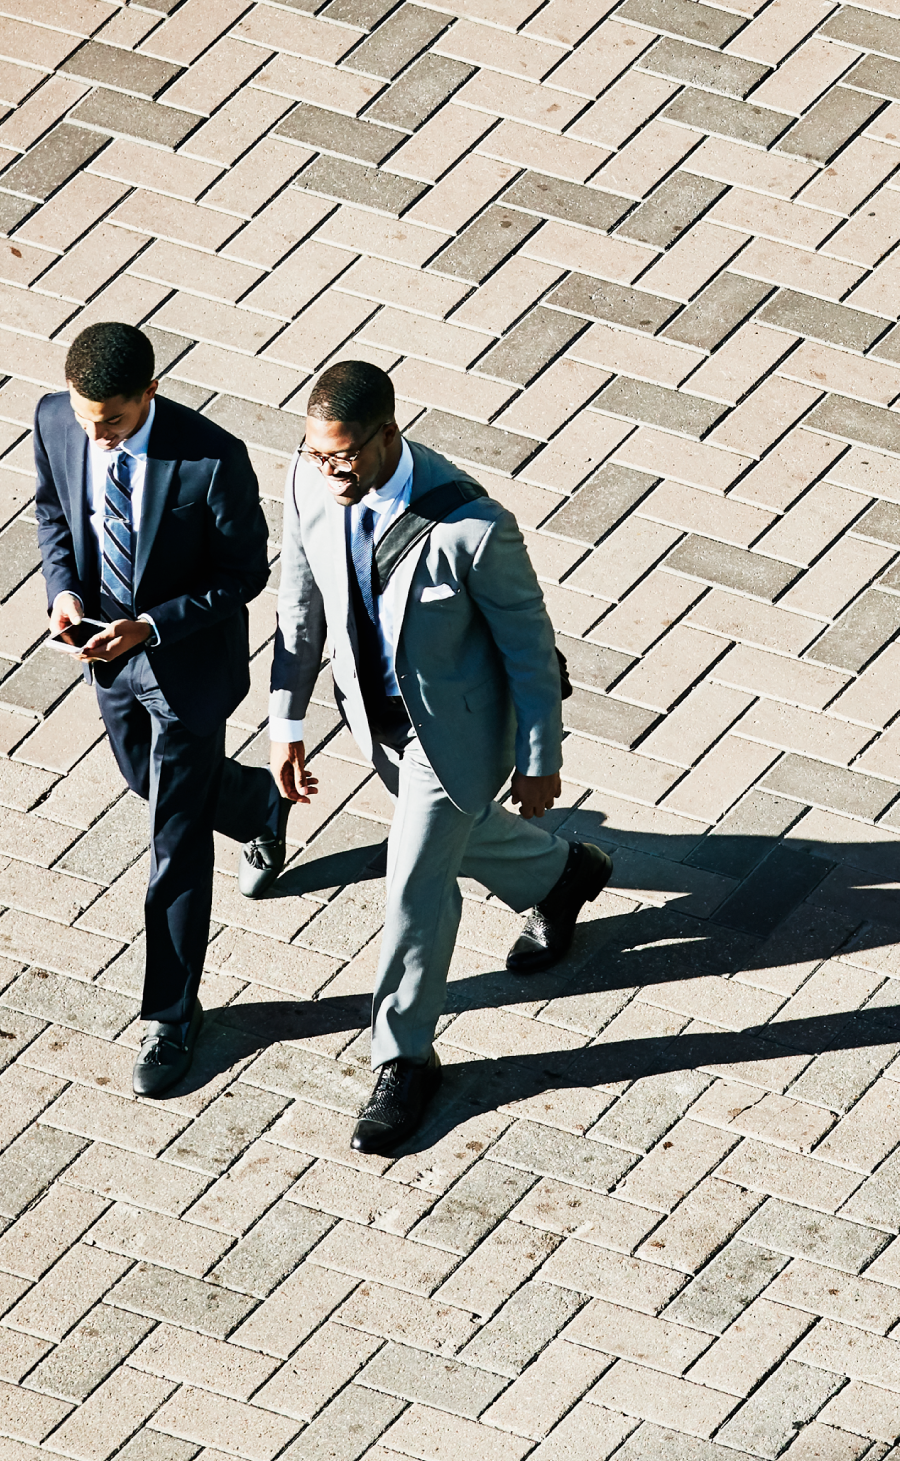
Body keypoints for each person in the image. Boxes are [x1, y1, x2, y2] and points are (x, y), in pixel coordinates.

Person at [269, 361, 612, 1154]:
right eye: (317, 454)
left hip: (455, 733)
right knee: (453, 835)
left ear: (388, 435)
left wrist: (538, 758)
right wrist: (286, 720)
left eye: (343, 455)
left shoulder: (472, 526)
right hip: (375, 721)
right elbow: (298, 601)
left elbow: (529, 651)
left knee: (415, 883)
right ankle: (559, 875)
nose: (328, 471)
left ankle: (403, 1058)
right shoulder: (304, 476)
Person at [33, 322, 288, 1096]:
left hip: (185, 672)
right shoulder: (54, 418)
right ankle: (255, 802)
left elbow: (243, 574)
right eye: (85, 416)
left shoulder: (212, 461)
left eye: (109, 419)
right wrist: (64, 593)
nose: (95, 433)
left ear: (149, 392)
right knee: (147, 784)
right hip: (104, 657)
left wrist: (152, 625)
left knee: (172, 842)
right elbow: (52, 512)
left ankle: (172, 1016)